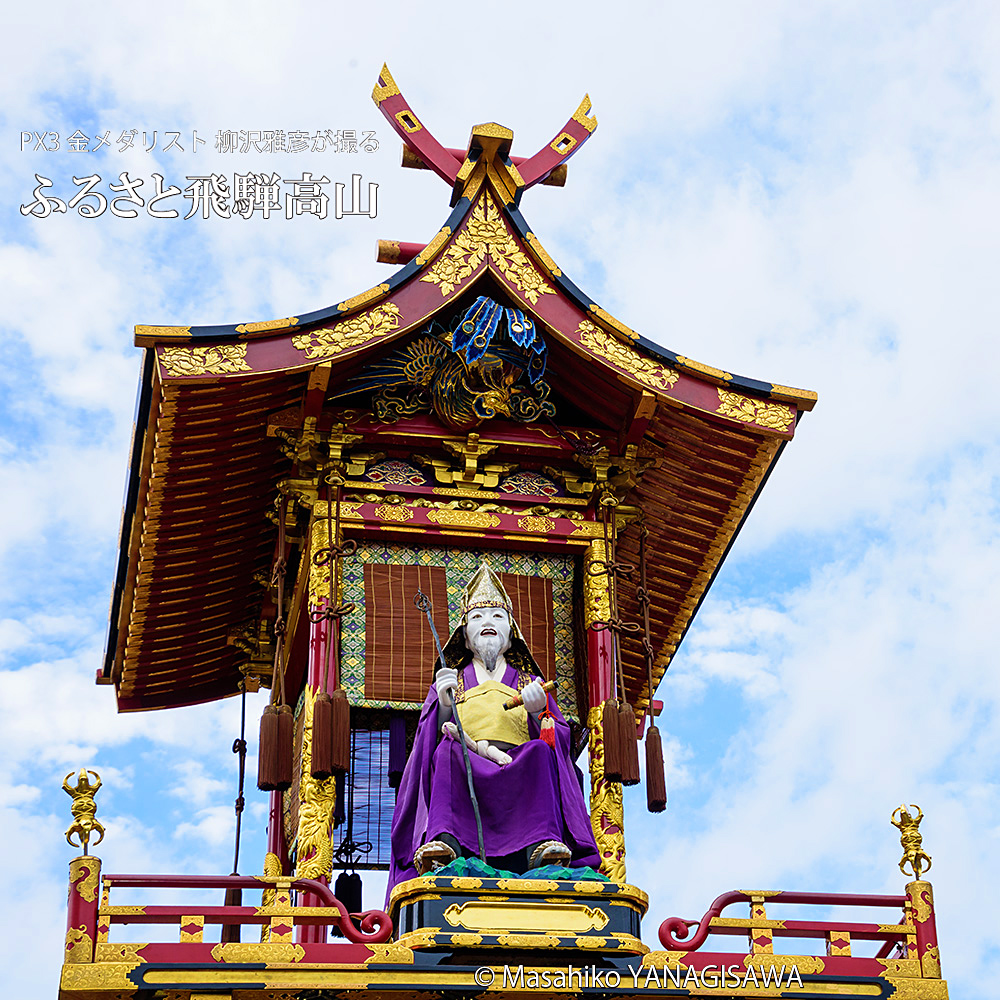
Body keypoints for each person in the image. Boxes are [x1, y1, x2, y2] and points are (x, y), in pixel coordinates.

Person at [388, 562, 600, 892]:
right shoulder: (452, 681)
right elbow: (427, 741)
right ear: (465, 638)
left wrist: (538, 711)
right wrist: (444, 704)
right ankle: (444, 842)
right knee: (446, 753)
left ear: (511, 635)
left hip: (518, 763)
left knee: (539, 752)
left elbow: (559, 740)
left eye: (497, 617)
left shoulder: (530, 681)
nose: (487, 622)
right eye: (477, 618)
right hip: (467, 760)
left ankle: (542, 844)